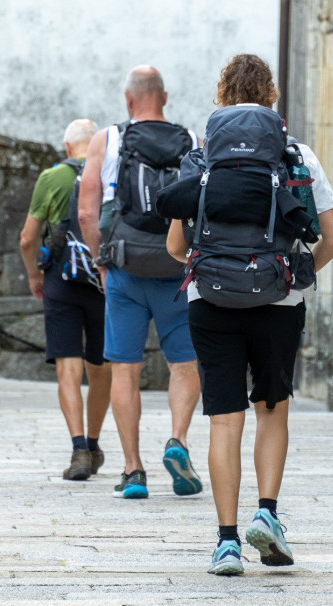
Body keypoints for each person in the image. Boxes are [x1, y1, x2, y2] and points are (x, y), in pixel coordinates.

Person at [165, 54, 333, 575]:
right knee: (272, 407)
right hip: (278, 301)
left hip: (211, 300)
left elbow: (177, 245)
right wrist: (297, 271)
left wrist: (207, 262)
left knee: (225, 419)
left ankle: (226, 542)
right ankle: (267, 515)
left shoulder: (201, 158)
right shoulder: (297, 156)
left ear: (221, 96)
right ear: (272, 97)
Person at [77, 65, 203, 499]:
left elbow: (87, 213)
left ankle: (133, 471)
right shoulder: (192, 141)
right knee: (184, 364)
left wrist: (101, 260)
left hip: (126, 269)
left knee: (124, 369)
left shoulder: (106, 140)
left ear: (129, 101)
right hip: (176, 270)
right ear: (163, 98)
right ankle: (178, 440)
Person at [19, 119, 111, 481]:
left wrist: (33, 274)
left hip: (62, 279)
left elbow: (28, 238)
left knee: (68, 368)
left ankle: (78, 451)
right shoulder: (108, 172)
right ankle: (93, 442)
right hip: (104, 279)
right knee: (100, 366)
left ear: (66, 146)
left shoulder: (52, 178)